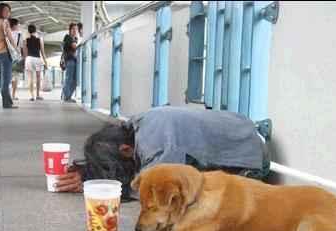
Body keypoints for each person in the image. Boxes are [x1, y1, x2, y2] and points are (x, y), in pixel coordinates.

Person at [55, 106, 270, 201]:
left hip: (252, 158)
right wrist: (92, 172)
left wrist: (103, 187)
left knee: (184, 194)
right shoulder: (139, 123)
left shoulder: (155, 143)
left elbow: (154, 191)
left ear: (126, 150)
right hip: (243, 131)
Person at [0, 3, 17, 109]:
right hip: (4, 53)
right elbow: (10, 37)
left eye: (9, 11)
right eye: (6, 11)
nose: (8, 13)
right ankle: (7, 103)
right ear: (0, 11)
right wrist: (16, 50)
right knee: (6, 79)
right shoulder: (4, 21)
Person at [23, 24, 47, 101]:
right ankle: (38, 95)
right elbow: (43, 52)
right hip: (37, 59)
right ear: (35, 31)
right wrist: (45, 62)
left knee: (30, 78)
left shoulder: (25, 40)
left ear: (28, 31)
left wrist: (25, 60)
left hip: (29, 58)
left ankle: (31, 96)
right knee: (38, 78)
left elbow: (25, 53)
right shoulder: (40, 39)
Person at [61, 23, 78, 103]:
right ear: (70, 30)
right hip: (69, 60)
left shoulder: (75, 38)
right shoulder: (67, 37)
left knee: (75, 80)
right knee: (69, 79)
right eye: (73, 29)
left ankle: (67, 96)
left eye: (76, 29)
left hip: (74, 61)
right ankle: (67, 97)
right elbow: (75, 47)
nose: (75, 31)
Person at [10, 18, 23, 100]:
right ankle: (13, 95)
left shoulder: (6, 34)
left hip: (7, 57)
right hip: (16, 58)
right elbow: (21, 47)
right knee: (15, 78)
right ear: (14, 25)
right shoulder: (19, 35)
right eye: (18, 25)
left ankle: (6, 94)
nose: (18, 26)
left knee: (6, 76)